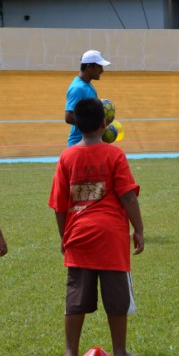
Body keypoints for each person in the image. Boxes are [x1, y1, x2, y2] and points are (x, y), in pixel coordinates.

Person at [49, 98, 144, 356]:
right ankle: (120, 351)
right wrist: (139, 230)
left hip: (79, 236)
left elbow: (58, 205)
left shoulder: (66, 157)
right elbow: (128, 196)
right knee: (116, 301)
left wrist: (64, 236)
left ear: (77, 125)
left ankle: (70, 351)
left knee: (76, 300)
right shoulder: (115, 154)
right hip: (111, 238)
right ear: (105, 123)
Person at [65, 49, 111, 147]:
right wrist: (97, 125)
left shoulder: (87, 85)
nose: (102, 70)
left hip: (89, 143)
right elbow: (68, 117)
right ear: (89, 67)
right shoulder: (77, 88)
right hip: (79, 145)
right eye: (99, 66)